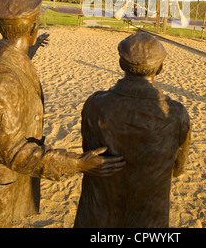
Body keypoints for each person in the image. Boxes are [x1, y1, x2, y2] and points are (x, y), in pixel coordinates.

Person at [0, 0, 125, 228]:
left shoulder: (3, 57)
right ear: (33, 27)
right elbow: (16, 153)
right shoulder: (1, 81)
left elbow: (11, 67)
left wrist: (30, 50)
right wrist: (78, 163)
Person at [74, 32, 192, 228]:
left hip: (96, 214)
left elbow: (88, 150)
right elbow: (178, 168)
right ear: (160, 68)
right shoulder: (177, 114)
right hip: (148, 220)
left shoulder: (95, 104)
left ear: (122, 65)